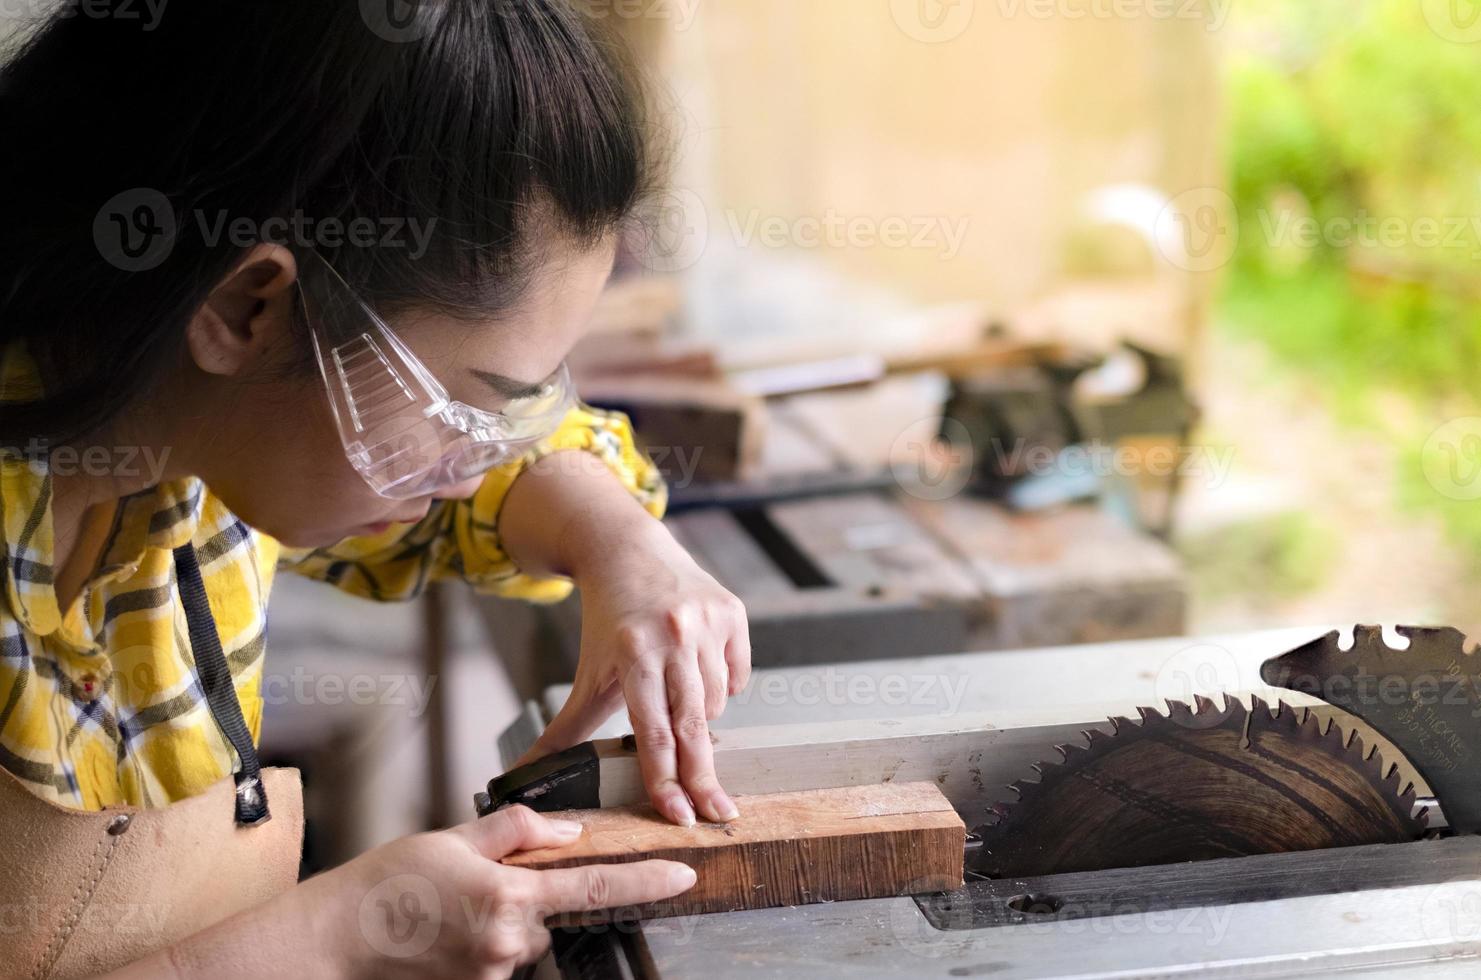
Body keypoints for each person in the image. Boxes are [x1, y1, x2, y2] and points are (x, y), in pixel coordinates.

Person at [0, 3, 750, 975]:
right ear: (246, 306)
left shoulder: (195, 434)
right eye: (464, 410)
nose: (473, 468)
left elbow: (497, 477)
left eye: (508, 418)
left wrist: (622, 544)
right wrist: (339, 932)